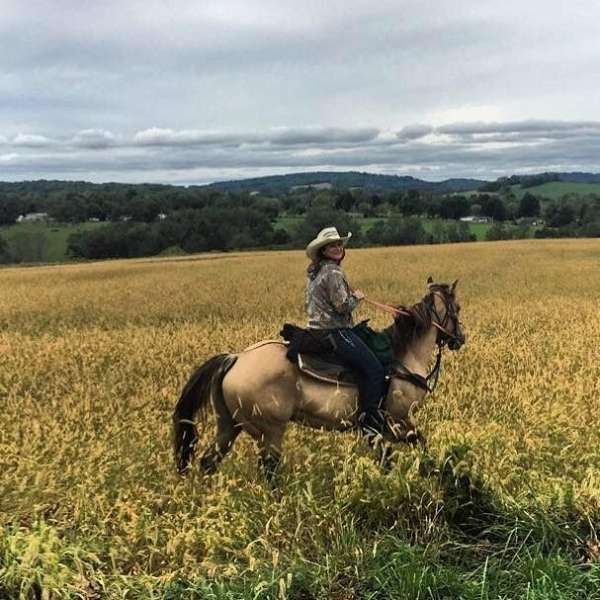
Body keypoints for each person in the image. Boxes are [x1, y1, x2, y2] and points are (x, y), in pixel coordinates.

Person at [305, 226, 387, 437]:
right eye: (332, 245)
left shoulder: (315, 270)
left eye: (339, 244)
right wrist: (357, 297)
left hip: (315, 330)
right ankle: (370, 422)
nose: (338, 247)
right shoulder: (333, 271)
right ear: (323, 250)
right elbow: (342, 306)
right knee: (375, 369)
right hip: (334, 330)